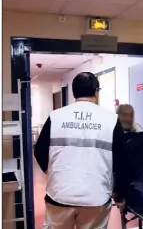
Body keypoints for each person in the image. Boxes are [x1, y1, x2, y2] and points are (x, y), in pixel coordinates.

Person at [34, 72, 126, 229]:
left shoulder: (56, 117)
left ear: (73, 92)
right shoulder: (110, 120)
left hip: (59, 194)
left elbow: (40, 151)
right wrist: (119, 192)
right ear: (96, 91)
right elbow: (121, 160)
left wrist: (55, 174)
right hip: (96, 196)